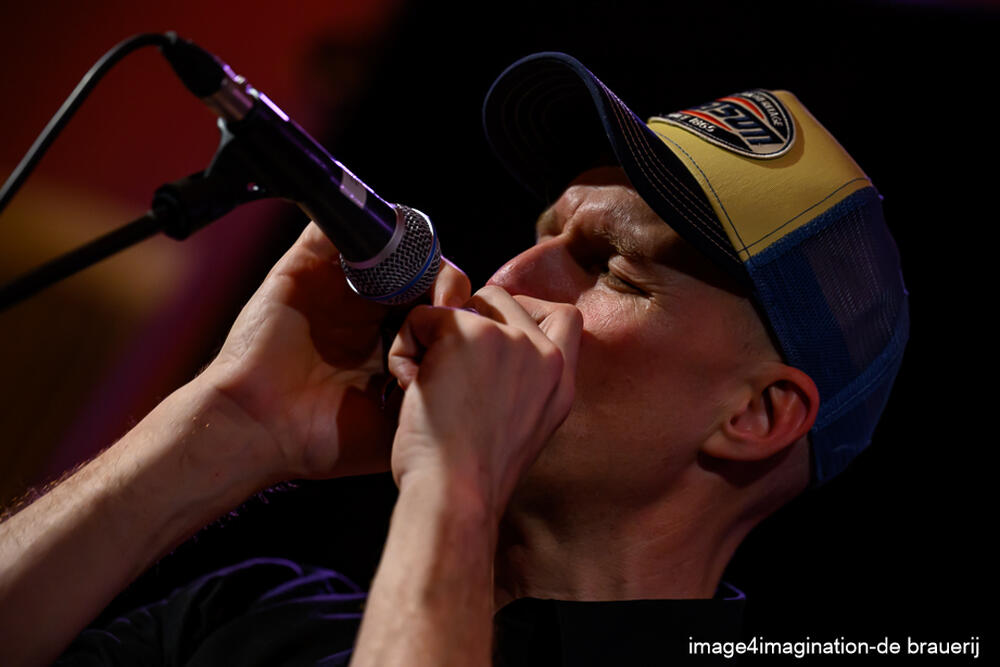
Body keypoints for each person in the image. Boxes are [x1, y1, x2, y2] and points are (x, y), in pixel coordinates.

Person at [0, 52, 908, 666]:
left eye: (611, 268)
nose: (508, 277)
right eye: (540, 235)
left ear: (755, 415)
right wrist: (227, 422)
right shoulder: (257, 624)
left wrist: (458, 480)